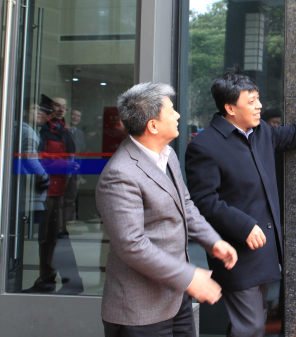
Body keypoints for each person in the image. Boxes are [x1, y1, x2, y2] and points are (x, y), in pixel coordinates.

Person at [186, 70, 296, 337]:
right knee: (251, 327)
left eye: (258, 99)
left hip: (265, 251)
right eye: (252, 101)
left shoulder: (261, 132)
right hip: (236, 253)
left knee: (253, 323)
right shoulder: (205, 145)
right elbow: (204, 201)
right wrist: (244, 226)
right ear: (230, 108)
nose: (259, 106)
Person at [96, 82, 237, 337]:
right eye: (171, 111)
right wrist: (189, 277)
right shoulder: (120, 174)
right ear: (153, 125)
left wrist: (212, 241)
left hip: (175, 297)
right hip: (140, 310)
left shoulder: (167, 154)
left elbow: (185, 205)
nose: (178, 115)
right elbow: (132, 245)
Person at [24, 95, 83, 294]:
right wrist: (62, 165)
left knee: (55, 236)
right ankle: (57, 279)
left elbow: (64, 157)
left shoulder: (62, 130)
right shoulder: (44, 130)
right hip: (48, 190)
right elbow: (40, 158)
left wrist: (66, 167)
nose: (59, 110)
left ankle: (65, 280)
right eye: (56, 106)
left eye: (63, 106)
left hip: (58, 190)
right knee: (49, 237)